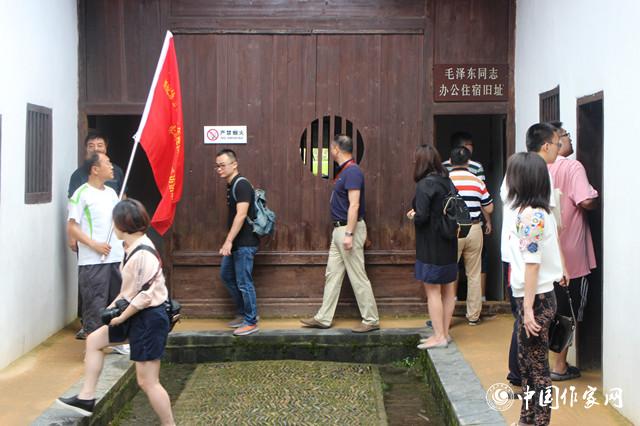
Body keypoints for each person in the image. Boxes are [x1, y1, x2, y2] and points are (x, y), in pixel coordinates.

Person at [58, 199, 174, 425]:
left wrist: (121, 316)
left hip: (148, 317)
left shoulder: (143, 253)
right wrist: (112, 308)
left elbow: (145, 296)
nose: (112, 226)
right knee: (94, 340)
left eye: (114, 222)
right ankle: (86, 397)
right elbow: (129, 291)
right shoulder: (130, 247)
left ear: (122, 224)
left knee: (148, 382)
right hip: (133, 311)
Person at [502, 122, 564, 388]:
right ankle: (530, 407)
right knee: (531, 366)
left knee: (536, 370)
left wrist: (528, 308)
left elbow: (532, 264)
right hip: (533, 290)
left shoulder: (533, 216)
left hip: (536, 294)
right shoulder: (532, 212)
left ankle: (536, 411)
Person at [300, 135, 380, 333]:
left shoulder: (352, 171)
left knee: (357, 275)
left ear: (336, 149)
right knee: (332, 274)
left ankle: (371, 319)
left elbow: (354, 205)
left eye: (331, 148)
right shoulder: (344, 171)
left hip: (347, 229)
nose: (330, 151)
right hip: (339, 230)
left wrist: (350, 234)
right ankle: (323, 318)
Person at [548, 122, 599, 381]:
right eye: (566, 134)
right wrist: (596, 197)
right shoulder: (572, 166)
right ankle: (559, 366)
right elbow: (585, 200)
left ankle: (539, 364)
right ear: (555, 140)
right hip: (571, 254)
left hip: (544, 253)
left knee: (547, 309)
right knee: (567, 309)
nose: (570, 138)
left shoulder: (538, 167)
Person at [68, 131, 125, 340]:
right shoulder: (81, 193)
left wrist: (125, 243)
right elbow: (72, 227)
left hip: (115, 257)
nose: (112, 167)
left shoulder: (111, 193)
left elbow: (118, 220)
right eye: (107, 164)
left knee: (117, 301)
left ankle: (117, 341)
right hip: (93, 260)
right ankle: (94, 344)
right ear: (95, 169)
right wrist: (94, 245)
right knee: (95, 303)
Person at [407, 144, 457, 349]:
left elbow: (422, 217)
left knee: (433, 291)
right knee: (448, 289)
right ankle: (445, 333)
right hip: (449, 241)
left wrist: (413, 216)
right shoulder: (447, 181)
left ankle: (438, 336)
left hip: (431, 243)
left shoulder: (424, 184)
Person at [216, 149, 260, 336]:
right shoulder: (231, 185)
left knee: (244, 282)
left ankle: (251, 321)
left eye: (222, 165)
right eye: (217, 166)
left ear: (234, 165)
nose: (219, 169)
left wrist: (228, 241)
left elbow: (241, 215)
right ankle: (243, 314)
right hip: (237, 243)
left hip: (245, 243)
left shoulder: (241, 185)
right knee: (227, 276)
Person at [442, 132, 491, 302]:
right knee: (475, 271)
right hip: (474, 225)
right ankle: (475, 311)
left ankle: (450, 304)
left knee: (450, 266)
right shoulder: (476, 173)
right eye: (469, 145)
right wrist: (488, 219)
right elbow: (487, 203)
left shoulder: (443, 172)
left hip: (451, 227)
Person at [448, 146, 494, 326]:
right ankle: (473, 316)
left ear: (450, 161)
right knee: (474, 274)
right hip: (474, 229)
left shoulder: (445, 180)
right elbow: (489, 208)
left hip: (452, 230)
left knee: (449, 272)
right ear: (468, 162)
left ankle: (446, 317)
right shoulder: (477, 181)